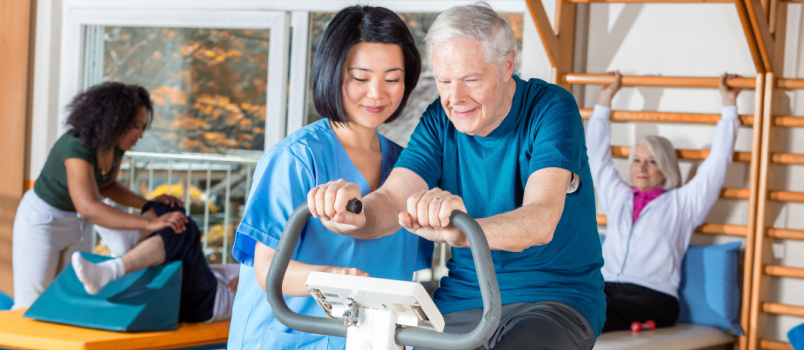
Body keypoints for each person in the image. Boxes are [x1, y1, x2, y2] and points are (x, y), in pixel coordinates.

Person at [309, 3, 605, 349]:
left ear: (507, 65)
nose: (455, 98)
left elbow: (541, 220)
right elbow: (392, 199)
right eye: (444, 81)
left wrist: (462, 232)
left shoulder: (551, 108)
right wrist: (354, 214)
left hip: (554, 298)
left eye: (471, 80)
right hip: (466, 298)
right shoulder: (439, 120)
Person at [226, 5, 432, 349]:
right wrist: (336, 280)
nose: (377, 93)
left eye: (392, 79)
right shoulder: (296, 159)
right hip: (286, 340)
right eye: (361, 78)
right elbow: (266, 270)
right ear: (333, 73)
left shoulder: (407, 166)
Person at [586, 71, 742, 332]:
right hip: (608, 286)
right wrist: (605, 98)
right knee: (568, 300)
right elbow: (596, 156)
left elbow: (717, 165)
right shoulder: (619, 196)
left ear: (666, 167)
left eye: (652, 161)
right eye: (637, 160)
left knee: (595, 309)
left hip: (655, 296)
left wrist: (729, 107)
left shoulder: (683, 203)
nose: (641, 168)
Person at [12, 82, 188, 309]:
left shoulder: (114, 147)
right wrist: (150, 223)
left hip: (77, 224)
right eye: (135, 125)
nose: (140, 134)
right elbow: (88, 207)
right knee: (29, 304)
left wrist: (148, 203)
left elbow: (107, 185)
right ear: (113, 119)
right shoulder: (76, 146)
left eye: (143, 127)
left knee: (68, 298)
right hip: (43, 221)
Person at [71, 201, 239, 323]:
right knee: (170, 206)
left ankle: (111, 270)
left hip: (209, 301)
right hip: (208, 280)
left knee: (185, 229)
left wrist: (252, 282)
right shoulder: (258, 265)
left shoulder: (259, 281)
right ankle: (131, 239)